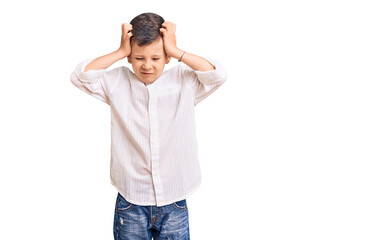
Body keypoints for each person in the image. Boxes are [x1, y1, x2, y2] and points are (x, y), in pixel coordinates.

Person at [70, 12, 226, 240]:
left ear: (167, 58)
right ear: (130, 57)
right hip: (131, 199)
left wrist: (176, 50)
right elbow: (80, 77)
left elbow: (217, 75)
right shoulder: (116, 82)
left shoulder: (185, 80)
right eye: (139, 57)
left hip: (174, 197)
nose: (147, 66)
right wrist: (120, 51)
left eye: (156, 58)